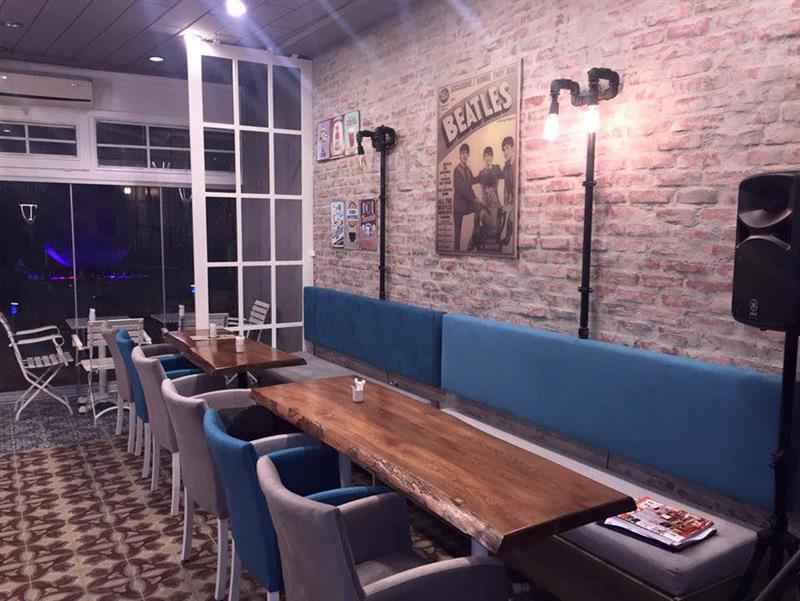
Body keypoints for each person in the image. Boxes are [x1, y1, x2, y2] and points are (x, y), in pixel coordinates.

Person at [452, 143, 478, 252]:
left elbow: (472, 183)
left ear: (468, 155)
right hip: (459, 206)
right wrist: (474, 199)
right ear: (459, 155)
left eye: (466, 153)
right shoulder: (457, 170)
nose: (464, 155)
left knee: (479, 209)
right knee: (457, 233)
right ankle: (456, 252)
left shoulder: (468, 170)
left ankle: (474, 240)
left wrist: (482, 175)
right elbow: (462, 189)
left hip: (467, 204)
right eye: (462, 153)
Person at [477, 146, 503, 245]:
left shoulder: (496, 168)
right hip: (485, 203)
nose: (488, 157)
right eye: (486, 155)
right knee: (480, 216)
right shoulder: (481, 173)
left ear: (492, 157)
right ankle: (477, 238)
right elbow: (477, 184)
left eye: (490, 155)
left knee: (493, 227)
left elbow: (504, 175)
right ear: (483, 157)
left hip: (494, 202)